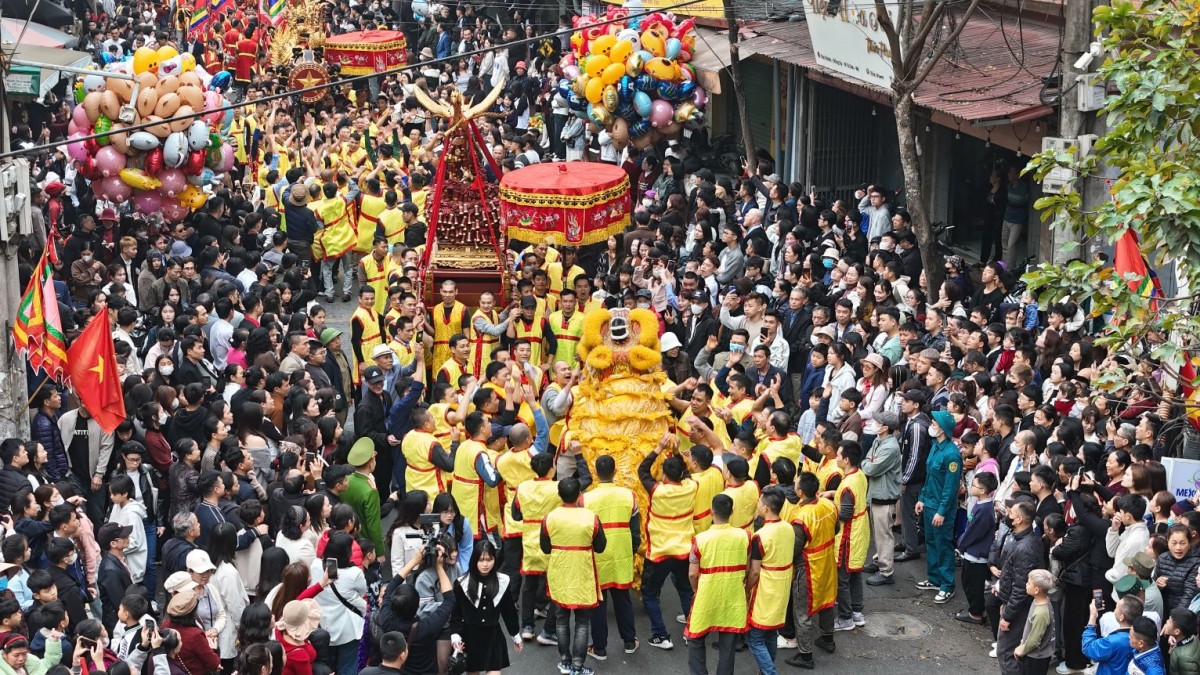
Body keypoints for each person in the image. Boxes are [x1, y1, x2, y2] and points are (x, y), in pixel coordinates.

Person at [540, 476, 605, 675]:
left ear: (559, 495)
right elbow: (601, 547)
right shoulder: (590, 517)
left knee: (561, 620)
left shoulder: (549, 518)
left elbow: (545, 548)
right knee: (582, 622)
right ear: (579, 495)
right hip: (582, 574)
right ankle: (578, 666)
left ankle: (565, 662)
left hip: (559, 573)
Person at [638, 435, 697, 651]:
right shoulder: (691, 487)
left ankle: (661, 635)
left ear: (663, 475)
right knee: (685, 591)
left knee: (650, 594)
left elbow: (642, 471)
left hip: (659, 554)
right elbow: (688, 472)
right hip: (683, 552)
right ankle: (691, 632)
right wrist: (677, 451)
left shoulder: (657, 491)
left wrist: (658, 448)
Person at [580, 455, 640, 659]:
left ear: (595, 473)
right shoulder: (629, 496)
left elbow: (583, 530)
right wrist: (631, 549)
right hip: (622, 553)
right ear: (615, 472)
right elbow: (635, 530)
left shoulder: (586, 498)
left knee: (598, 603)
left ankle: (599, 648)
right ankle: (630, 641)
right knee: (623, 600)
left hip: (597, 555)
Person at [685, 493, 750, 675]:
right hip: (733, 594)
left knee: (696, 638)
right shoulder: (744, 536)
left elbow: (692, 573)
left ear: (711, 512)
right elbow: (751, 569)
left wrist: (696, 588)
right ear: (732, 511)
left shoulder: (700, 539)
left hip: (706, 593)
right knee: (728, 645)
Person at [785, 471, 838, 670]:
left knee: (802, 611)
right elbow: (836, 530)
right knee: (826, 602)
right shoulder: (828, 505)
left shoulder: (801, 516)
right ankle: (827, 639)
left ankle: (805, 655)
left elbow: (794, 548)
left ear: (800, 491)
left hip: (807, 567)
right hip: (826, 561)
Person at [450, 540, 522, 674]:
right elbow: (456, 614)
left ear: (495, 560)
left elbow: (509, 612)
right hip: (470, 639)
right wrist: (455, 637)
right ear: (474, 561)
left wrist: (515, 635)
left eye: (489, 560)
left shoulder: (502, 581)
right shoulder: (462, 583)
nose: (485, 564)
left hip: (493, 637)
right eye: (481, 560)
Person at [746, 486, 795, 675]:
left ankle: (770, 672)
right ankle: (764, 671)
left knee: (755, 639)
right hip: (782, 586)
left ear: (765, 508)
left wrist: (747, 588)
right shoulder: (788, 528)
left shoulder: (761, 536)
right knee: (770, 634)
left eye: (759, 501)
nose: (757, 504)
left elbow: (754, 572)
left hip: (765, 590)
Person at [915, 411, 962, 604]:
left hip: (942, 508)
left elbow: (950, 490)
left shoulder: (952, 455)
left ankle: (947, 585)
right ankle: (934, 578)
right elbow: (929, 478)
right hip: (929, 504)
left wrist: (941, 512)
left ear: (942, 428)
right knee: (931, 543)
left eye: (934, 422)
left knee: (943, 545)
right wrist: (922, 499)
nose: (931, 425)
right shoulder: (935, 446)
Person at [997, 501, 1045, 675]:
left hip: (1019, 609)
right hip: (1016, 605)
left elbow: (1020, 588)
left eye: (1011, 513)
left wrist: (1008, 615)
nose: (1007, 514)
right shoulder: (1027, 540)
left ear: (1018, 520)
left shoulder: (1026, 547)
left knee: (1006, 653)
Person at [862, 411, 902, 586]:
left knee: (884, 534)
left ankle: (886, 571)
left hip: (885, 496)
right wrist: (868, 462)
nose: (874, 424)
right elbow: (867, 460)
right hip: (876, 493)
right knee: (878, 533)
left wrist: (868, 463)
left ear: (885, 427)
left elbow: (870, 468)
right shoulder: (879, 441)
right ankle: (879, 561)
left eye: (877, 422)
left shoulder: (890, 447)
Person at [1082, 595, 1141, 675]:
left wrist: (1092, 617)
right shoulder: (1143, 637)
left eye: (1116, 607)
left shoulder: (1112, 642)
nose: (1114, 610)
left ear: (1121, 617)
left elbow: (1088, 648)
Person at [1013, 569, 1056, 675]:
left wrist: (1021, 650)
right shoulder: (1040, 600)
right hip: (1036, 654)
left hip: (1036, 656)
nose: (1026, 584)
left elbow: (1034, 640)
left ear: (1036, 590)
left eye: (1028, 583)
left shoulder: (1041, 613)